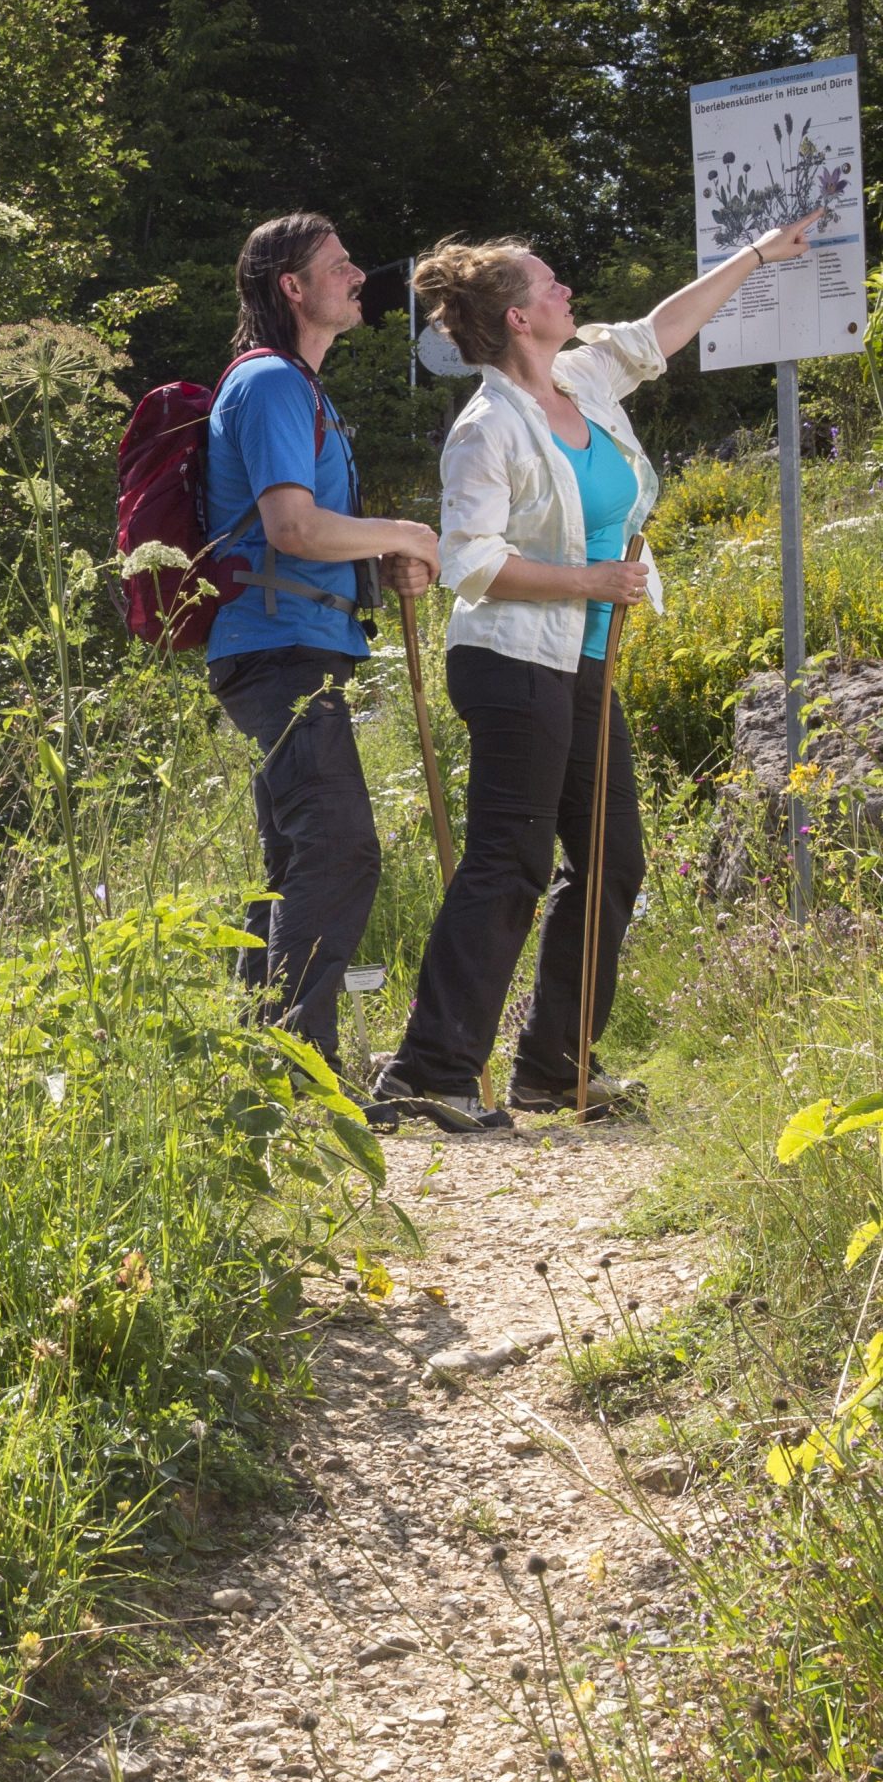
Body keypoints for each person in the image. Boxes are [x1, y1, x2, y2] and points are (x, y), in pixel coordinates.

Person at [379, 211, 823, 1119]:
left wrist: (755, 254)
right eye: (550, 284)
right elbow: (470, 562)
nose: (567, 290)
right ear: (517, 317)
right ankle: (430, 1073)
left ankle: (553, 1066)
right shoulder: (486, 428)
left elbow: (661, 331)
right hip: (509, 663)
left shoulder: (580, 379)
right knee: (509, 859)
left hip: (581, 665)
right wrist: (589, 580)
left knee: (614, 861)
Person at [204, 215, 440, 1091]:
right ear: (291, 287)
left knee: (296, 860)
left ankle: (257, 1072)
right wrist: (407, 531)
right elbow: (293, 528)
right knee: (339, 850)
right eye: (338, 266)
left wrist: (380, 557)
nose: (357, 276)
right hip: (279, 653)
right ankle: (301, 1073)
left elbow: (309, 534)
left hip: (289, 647)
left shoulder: (302, 389)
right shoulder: (270, 383)